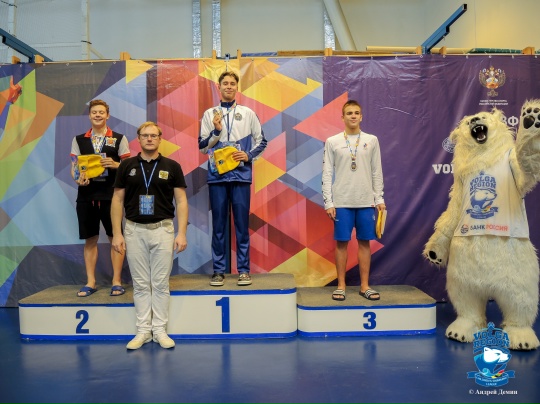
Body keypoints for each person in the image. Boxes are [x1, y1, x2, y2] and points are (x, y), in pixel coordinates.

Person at [111, 121, 188, 350]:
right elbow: (117, 200)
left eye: (154, 135)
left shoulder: (172, 166)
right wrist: (117, 233)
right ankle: (143, 331)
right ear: (139, 139)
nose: (149, 139)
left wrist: (182, 233)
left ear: (160, 138)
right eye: (145, 135)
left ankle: (160, 330)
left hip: (163, 230)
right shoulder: (126, 166)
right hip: (134, 230)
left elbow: (181, 201)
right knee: (141, 284)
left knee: (161, 284)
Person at [199, 71, 267, 287]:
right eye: (225, 83)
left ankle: (244, 270)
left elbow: (262, 141)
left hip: (241, 176)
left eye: (232, 83)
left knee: (241, 225)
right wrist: (216, 131)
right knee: (218, 225)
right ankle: (218, 271)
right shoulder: (210, 114)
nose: (228, 86)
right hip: (217, 176)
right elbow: (202, 147)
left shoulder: (248, 113)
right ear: (218, 87)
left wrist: (248, 155)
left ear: (237, 87)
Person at [321, 100, 386, 302]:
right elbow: (327, 173)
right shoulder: (332, 141)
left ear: (361, 116)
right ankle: (341, 286)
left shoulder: (372, 140)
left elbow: (376, 171)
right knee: (341, 243)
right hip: (341, 202)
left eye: (357, 112)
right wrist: (329, 202)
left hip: (366, 201)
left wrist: (379, 198)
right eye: (349, 113)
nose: (353, 116)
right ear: (342, 117)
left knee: (364, 243)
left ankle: (364, 286)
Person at [70, 99, 130, 297]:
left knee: (116, 238)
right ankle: (91, 282)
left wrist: (116, 165)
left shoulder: (119, 138)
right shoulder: (79, 140)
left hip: (112, 195)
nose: (97, 115)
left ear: (107, 115)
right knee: (90, 239)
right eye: (94, 112)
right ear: (89, 115)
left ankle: (116, 281)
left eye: (101, 112)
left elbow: (129, 168)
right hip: (86, 196)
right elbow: (74, 167)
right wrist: (78, 179)